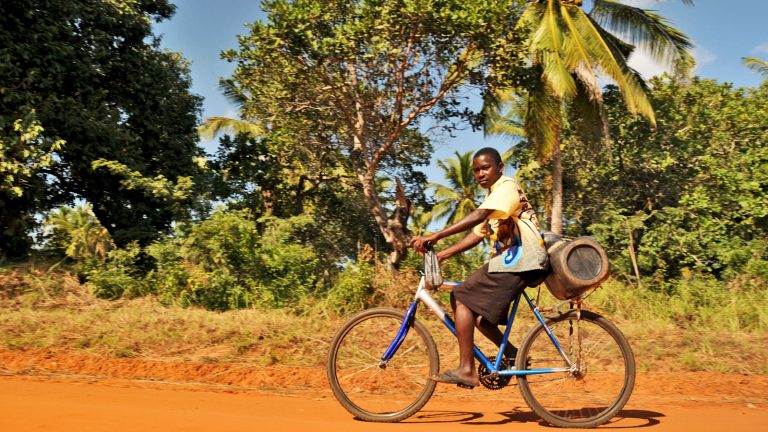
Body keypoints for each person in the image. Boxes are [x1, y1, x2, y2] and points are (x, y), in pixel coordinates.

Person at [410, 147, 549, 389]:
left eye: (485, 168)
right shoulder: (494, 197)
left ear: (500, 168)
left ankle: (467, 370)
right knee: (481, 319)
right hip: (516, 262)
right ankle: (514, 355)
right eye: (476, 170)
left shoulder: (506, 188)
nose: (480, 174)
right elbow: (477, 234)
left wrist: (437, 235)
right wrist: (442, 255)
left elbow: (479, 215)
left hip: (522, 259)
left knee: (461, 296)